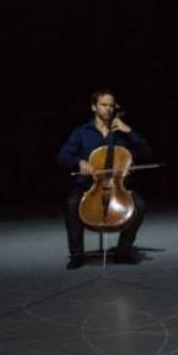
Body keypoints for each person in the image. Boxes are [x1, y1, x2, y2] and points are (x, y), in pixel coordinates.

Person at [55, 89, 152, 269]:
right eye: (103, 105)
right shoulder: (81, 132)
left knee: (140, 205)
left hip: (118, 186)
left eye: (111, 105)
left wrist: (128, 130)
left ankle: (123, 252)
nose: (108, 109)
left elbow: (146, 152)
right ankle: (77, 255)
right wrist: (79, 162)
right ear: (94, 107)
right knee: (71, 203)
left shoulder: (122, 131)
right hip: (88, 186)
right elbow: (62, 157)